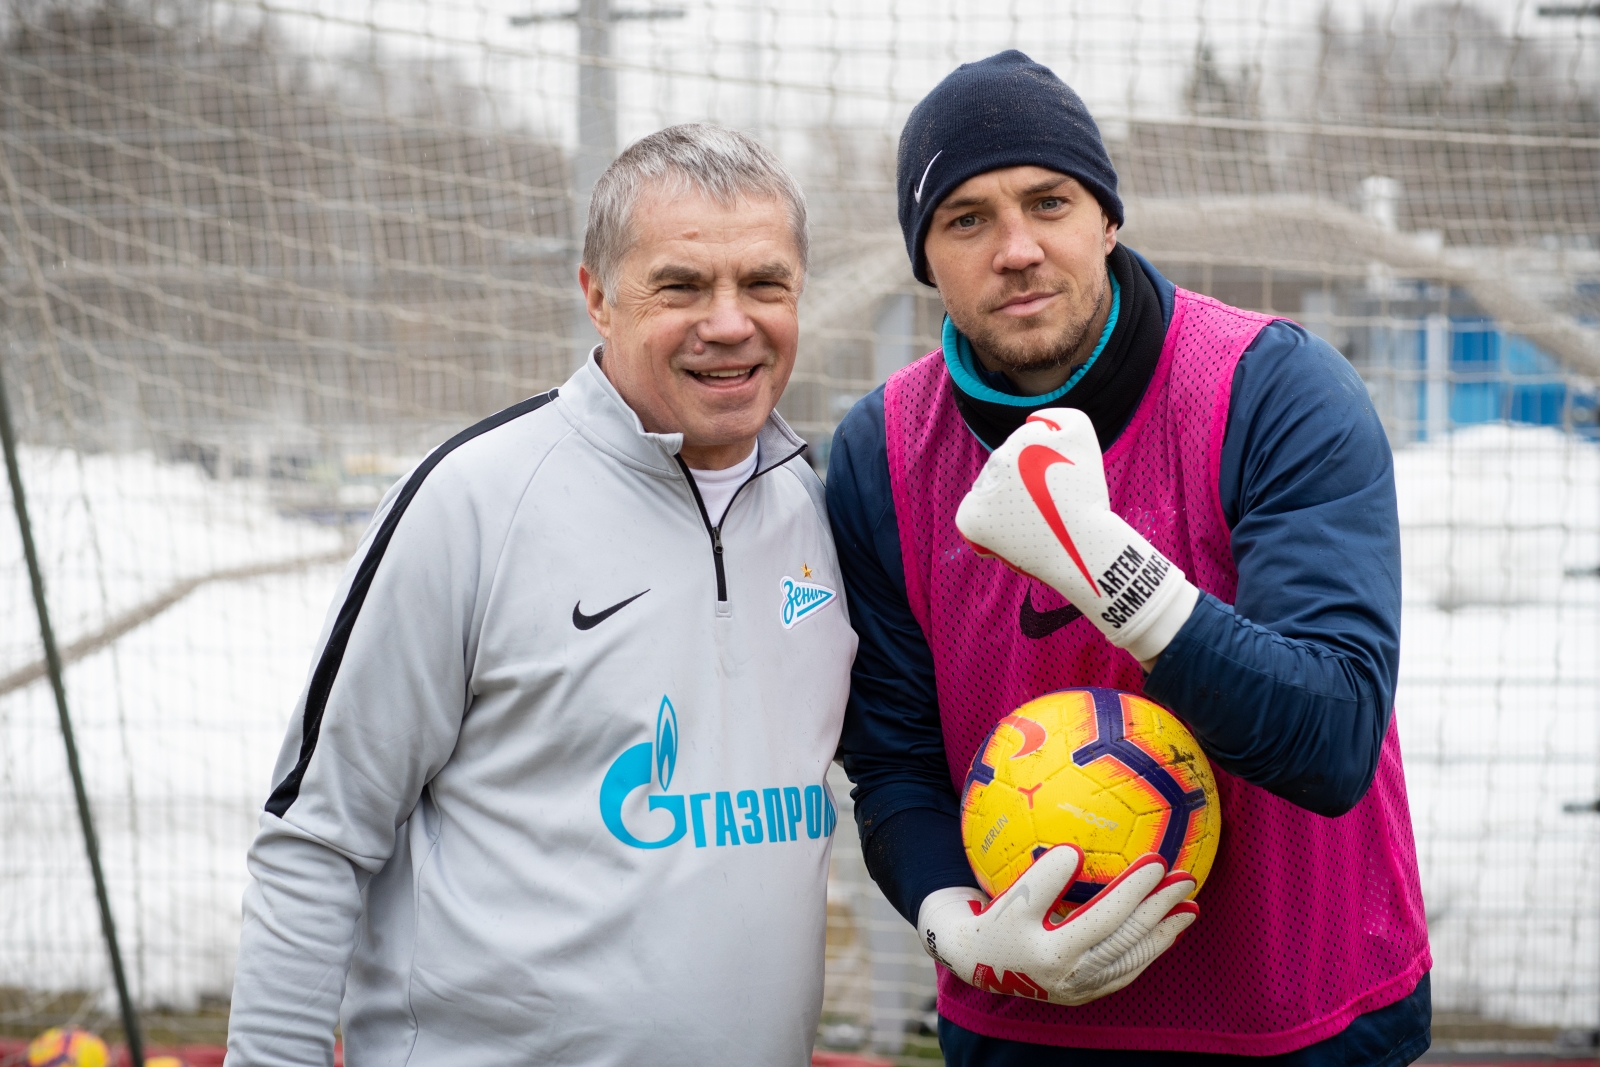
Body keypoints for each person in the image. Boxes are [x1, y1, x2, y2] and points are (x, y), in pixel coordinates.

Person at [827, 52, 1431, 1065]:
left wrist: (1104, 563)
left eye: (1048, 201)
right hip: (1025, 1023)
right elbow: (891, 760)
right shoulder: (880, 449)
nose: (1016, 248)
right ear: (926, 259)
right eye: (966, 219)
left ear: (1106, 218)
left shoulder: (1273, 388)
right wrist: (955, 927)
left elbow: (1331, 734)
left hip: (1302, 1016)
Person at [225, 124, 857, 1067]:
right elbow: (319, 834)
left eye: (764, 284)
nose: (730, 322)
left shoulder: (823, 512)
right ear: (597, 297)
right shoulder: (474, 501)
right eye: (681, 285)